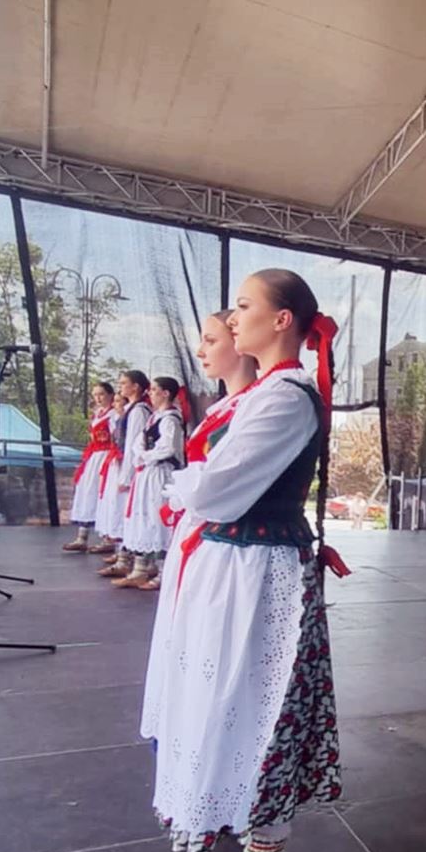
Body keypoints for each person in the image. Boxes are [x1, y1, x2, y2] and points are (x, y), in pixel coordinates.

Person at [152, 268, 343, 852]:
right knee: (234, 709)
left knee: (260, 714)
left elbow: (215, 490)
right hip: (238, 567)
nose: (233, 319)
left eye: (243, 306)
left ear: (282, 319)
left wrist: (188, 487)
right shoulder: (265, 393)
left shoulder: (287, 397)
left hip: (260, 575)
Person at [141, 310, 258, 770]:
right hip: (199, 534)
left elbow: (216, 486)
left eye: (211, 340)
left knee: (216, 652)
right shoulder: (224, 407)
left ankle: (215, 756)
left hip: (225, 539)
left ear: (240, 343)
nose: (200, 350)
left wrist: (189, 491)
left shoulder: (256, 407)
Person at [113, 377, 186, 590]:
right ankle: (140, 569)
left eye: (154, 390)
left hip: (161, 474)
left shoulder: (171, 419)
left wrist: (145, 456)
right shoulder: (155, 417)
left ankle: (163, 573)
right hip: (148, 473)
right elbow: (138, 442)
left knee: (158, 519)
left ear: (166, 393)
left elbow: (169, 448)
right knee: (143, 516)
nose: (150, 393)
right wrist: (141, 454)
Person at [98, 371, 153, 580]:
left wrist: (126, 475)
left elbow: (132, 445)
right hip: (120, 463)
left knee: (126, 511)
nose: (120, 386)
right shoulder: (130, 409)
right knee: (119, 510)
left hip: (128, 466)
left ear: (136, 386)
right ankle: (124, 557)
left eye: (123, 383)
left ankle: (129, 561)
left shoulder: (139, 411)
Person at [63, 382, 118, 553]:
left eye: (101, 394)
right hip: (94, 456)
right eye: (95, 394)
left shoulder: (113, 415)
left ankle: (107, 538)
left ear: (110, 395)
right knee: (87, 492)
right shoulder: (97, 414)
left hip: (106, 456)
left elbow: (116, 438)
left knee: (103, 494)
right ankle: (82, 536)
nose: (98, 398)